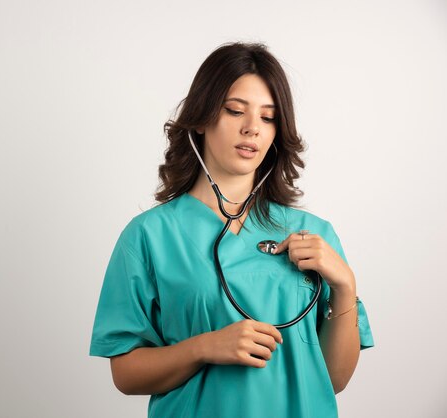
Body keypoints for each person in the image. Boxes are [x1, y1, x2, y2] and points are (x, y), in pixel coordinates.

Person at [89, 41, 374, 418]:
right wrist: (205, 347)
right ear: (203, 118)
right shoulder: (149, 236)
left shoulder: (313, 235)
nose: (252, 128)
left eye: (269, 117)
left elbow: (332, 380)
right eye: (235, 110)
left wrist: (345, 286)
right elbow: (125, 374)